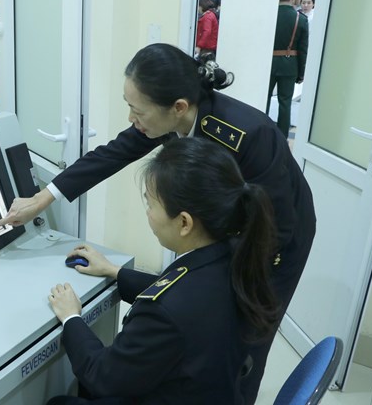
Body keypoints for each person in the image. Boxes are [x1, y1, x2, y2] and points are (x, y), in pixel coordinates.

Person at [0, 42, 316, 404]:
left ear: (177, 108)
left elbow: (274, 228)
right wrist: (44, 197)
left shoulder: (248, 135)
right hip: (224, 235)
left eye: (136, 110)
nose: (132, 118)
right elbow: (114, 152)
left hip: (277, 240)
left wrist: (73, 318)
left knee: (244, 337)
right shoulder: (169, 116)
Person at [46, 137, 280, 404]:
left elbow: (102, 376)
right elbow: (181, 291)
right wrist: (115, 271)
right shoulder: (233, 255)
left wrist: (71, 317)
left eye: (151, 204)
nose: (148, 213)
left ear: (184, 222)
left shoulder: (164, 313)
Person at [266, 0, 309, 138]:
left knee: (265, 100)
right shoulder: (301, 19)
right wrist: (301, 73)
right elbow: (303, 50)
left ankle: (262, 130)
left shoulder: (269, 16)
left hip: (269, 64)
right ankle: (282, 137)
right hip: (289, 65)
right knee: (285, 103)